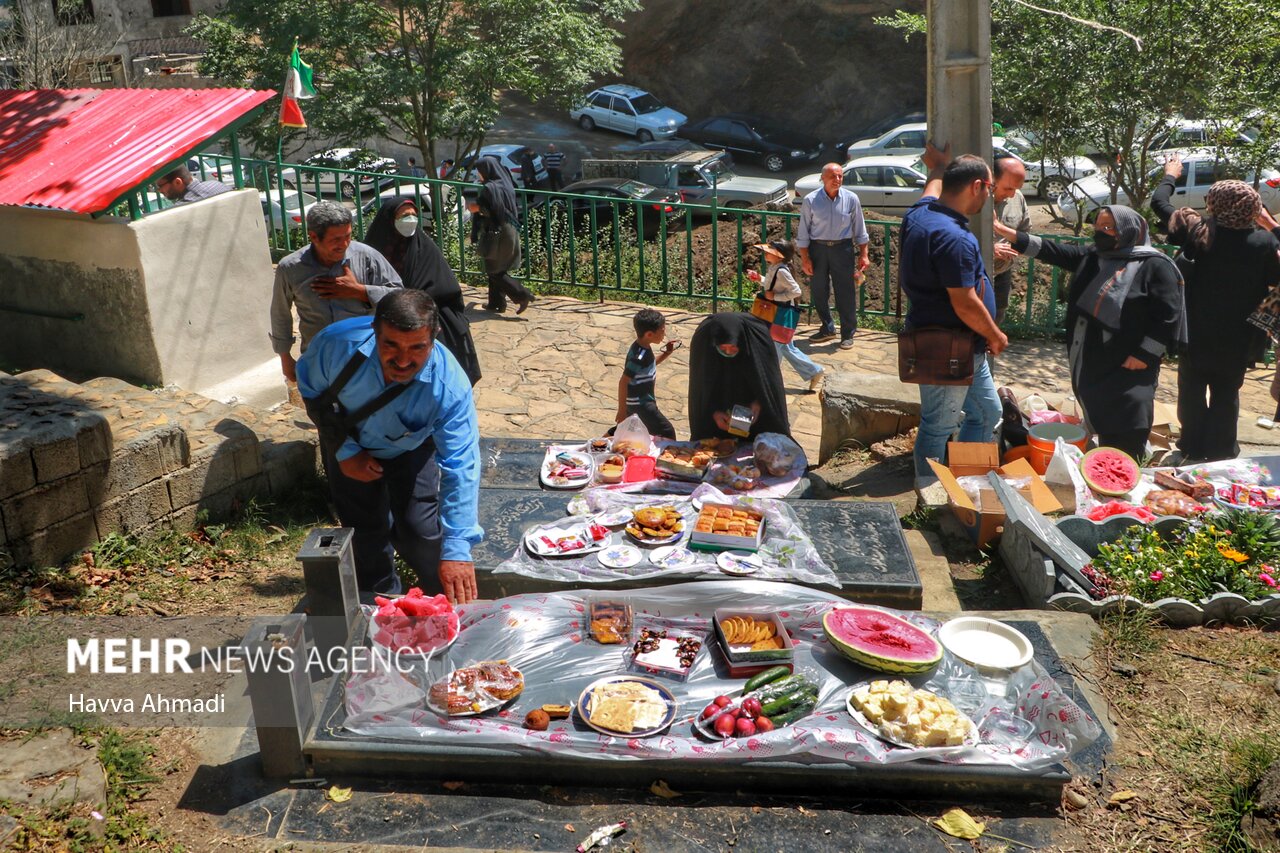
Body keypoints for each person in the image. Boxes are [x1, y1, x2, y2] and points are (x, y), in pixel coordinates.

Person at [297, 290, 482, 602]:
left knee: (420, 533)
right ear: (374, 331)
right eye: (390, 345)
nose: (403, 359)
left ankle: (440, 602)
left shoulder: (449, 387)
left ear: (434, 337)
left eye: (418, 348)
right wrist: (345, 450)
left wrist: (458, 551)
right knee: (364, 536)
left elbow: (461, 466)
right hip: (348, 442)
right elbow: (311, 389)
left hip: (410, 449)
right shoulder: (337, 345)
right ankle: (384, 607)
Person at [995, 205, 1184, 461]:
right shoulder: (1096, 256)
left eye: (1108, 228)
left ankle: (1126, 468)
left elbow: (1167, 316)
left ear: (1128, 231)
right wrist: (1005, 231)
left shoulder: (1155, 266)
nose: (1100, 233)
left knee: (1129, 416)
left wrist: (1145, 354)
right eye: (1098, 227)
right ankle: (1105, 465)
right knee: (1100, 409)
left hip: (1131, 360)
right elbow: (1052, 250)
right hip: (1094, 356)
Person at [1150, 154, 1280, 461]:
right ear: (1253, 207)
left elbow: (1159, 203)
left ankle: (1192, 448)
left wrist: (1171, 174)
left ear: (1213, 204)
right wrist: (1271, 225)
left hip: (1194, 331)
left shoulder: (1197, 231)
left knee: (1191, 391)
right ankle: (1222, 451)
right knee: (1227, 393)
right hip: (1241, 336)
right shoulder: (1264, 244)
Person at [900, 145, 1007, 481]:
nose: (989, 196)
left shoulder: (921, 213)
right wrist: (995, 334)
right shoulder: (955, 238)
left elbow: (931, 189)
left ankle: (965, 480)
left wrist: (938, 166)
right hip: (946, 347)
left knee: (988, 412)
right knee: (939, 426)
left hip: (964, 347)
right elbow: (964, 302)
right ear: (977, 186)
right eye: (990, 188)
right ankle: (928, 495)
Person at [271, 201, 402, 388]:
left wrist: (361, 292)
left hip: (365, 359)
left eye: (348, 236)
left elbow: (400, 297)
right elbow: (280, 313)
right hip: (318, 360)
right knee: (322, 414)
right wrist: (285, 357)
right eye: (336, 240)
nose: (344, 244)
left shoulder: (366, 256)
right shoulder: (291, 268)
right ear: (314, 237)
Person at [365, 195, 482, 386]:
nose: (410, 220)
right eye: (404, 216)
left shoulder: (424, 249)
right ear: (390, 220)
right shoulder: (372, 252)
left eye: (413, 215)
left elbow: (447, 287)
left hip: (426, 318)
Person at [796, 162, 871, 350]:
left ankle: (847, 333)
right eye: (833, 176)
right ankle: (827, 327)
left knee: (845, 292)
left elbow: (860, 230)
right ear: (823, 178)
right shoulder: (811, 200)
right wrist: (805, 259)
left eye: (840, 176)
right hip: (818, 249)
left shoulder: (851, 199)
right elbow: (803, 232)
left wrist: (864, 254)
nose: (837, 179)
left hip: (842, 249)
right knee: (819, 290)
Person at [687, 312, 790, 440]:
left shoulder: (756, 342)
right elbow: (702, 390)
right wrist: (713, 413)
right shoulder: (706, 344)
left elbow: (768, 385)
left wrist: (759, 402)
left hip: (756, 417)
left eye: (733, 347)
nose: (728, 352)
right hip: (719, 416)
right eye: (723, 348)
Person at [748, 240, 825, 393]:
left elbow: (796, 291)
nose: (766, 253)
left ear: (779, 256)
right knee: (784, 345)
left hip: (778, 313)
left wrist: (775, 297)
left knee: (775, 345)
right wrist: (761, 279)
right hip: (776, 313)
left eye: (770, 251)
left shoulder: (781, 271)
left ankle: (770, 380)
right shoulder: (775, 268)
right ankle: (813, 371)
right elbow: (774, 284)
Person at [468, 156, 533, 314]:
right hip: (508, 229)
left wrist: (476, 209)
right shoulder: (505, 184)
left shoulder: (491, 188)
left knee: (495, 271)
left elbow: (492, 211)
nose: (478, 174)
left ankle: (522, 295)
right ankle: (496, 304)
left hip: (499, 232)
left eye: (479, 171)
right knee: (495, 267)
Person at [614, 308, 679, 440]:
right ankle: (664, 458)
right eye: (662, 331)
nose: (664, 334)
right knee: (667, 432)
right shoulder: (639, 355)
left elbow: (649, 366)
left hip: (639, 403)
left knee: (631, 430)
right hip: (641, 404)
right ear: (649, 334)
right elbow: (623, 381)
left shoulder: (642, 348)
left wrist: (666, 353)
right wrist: (621, 411)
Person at [990, 154, 1030, 325]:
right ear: (992, 179)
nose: (1013, 195)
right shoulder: (973, 197)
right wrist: (989, 250)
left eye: (1017, 188)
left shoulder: (1018, 197)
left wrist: (1013, 248)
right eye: (1008, 189)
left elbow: (1024, 232)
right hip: (972, 274)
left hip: (1002, 273)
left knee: (997, 320)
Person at [157, 163, 231, 204]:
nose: (159, 190)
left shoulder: (181, 208)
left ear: (178, 182)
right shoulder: (217, 185)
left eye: (160, 186)